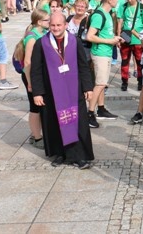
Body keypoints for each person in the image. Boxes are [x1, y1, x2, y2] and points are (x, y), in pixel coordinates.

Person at [30, 11, 95, 169]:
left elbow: (83, 66)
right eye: (52, 25)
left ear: (66, 25)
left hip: (74, 90)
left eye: (59, 25)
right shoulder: (41, 44)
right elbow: (36, 70)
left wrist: (88, 87)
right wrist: (37, 93)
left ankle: (78, 156)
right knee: (55, 123)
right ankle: (60, 154)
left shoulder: (75, 41)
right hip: (51, 92)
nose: (56, 28)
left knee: (77, 123)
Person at [86, 0, 123, 127]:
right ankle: (90, 113)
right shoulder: (99, 15)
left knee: (101, 83)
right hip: (100, 53)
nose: (117, 1)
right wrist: (109, 41)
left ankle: (101, 109)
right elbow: (90, 36)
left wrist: (114, 38)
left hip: (105, 52)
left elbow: (103, 34)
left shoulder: (107, 14)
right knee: (100, 84)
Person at [21, 9, 50, 149]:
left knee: (42, 106)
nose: (49, 22)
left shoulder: (43, 33)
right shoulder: (32, 37)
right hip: (31, 76)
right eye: (47, 20)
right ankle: (37, 137)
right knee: (35, 108)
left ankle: (39, 133)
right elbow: (27, 62)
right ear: (39, 22)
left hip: (40, 75)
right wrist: (30, 83)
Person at [118, 0, 143, 91]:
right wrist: (118, 36)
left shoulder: (141, 7)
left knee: (140, 62)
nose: (129, 0)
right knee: (124, 61)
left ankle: (140, 81)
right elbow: (119, 21)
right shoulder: (123, 6)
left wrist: (136, 30)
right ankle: (124, 81)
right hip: (125, 37)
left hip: (137, 38)